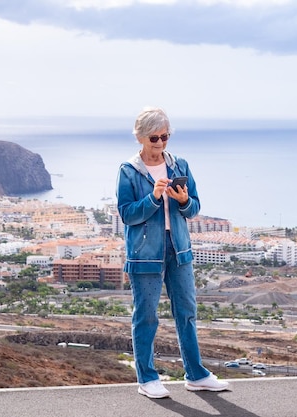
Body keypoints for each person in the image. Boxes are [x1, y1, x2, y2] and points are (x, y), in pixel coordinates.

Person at [117, 107, 229, 399]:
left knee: (187, 313)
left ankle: (196, 375)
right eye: (154, 137)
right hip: (146, 253)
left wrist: (183, 200)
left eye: (165, 136)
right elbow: (127, 214)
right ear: (141, 137)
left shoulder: (180, 165)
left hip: (179, 249)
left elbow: (194, 207)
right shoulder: (129, 171)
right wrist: (153, 198)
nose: (160, 143)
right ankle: (147, 378)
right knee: (147, 316)